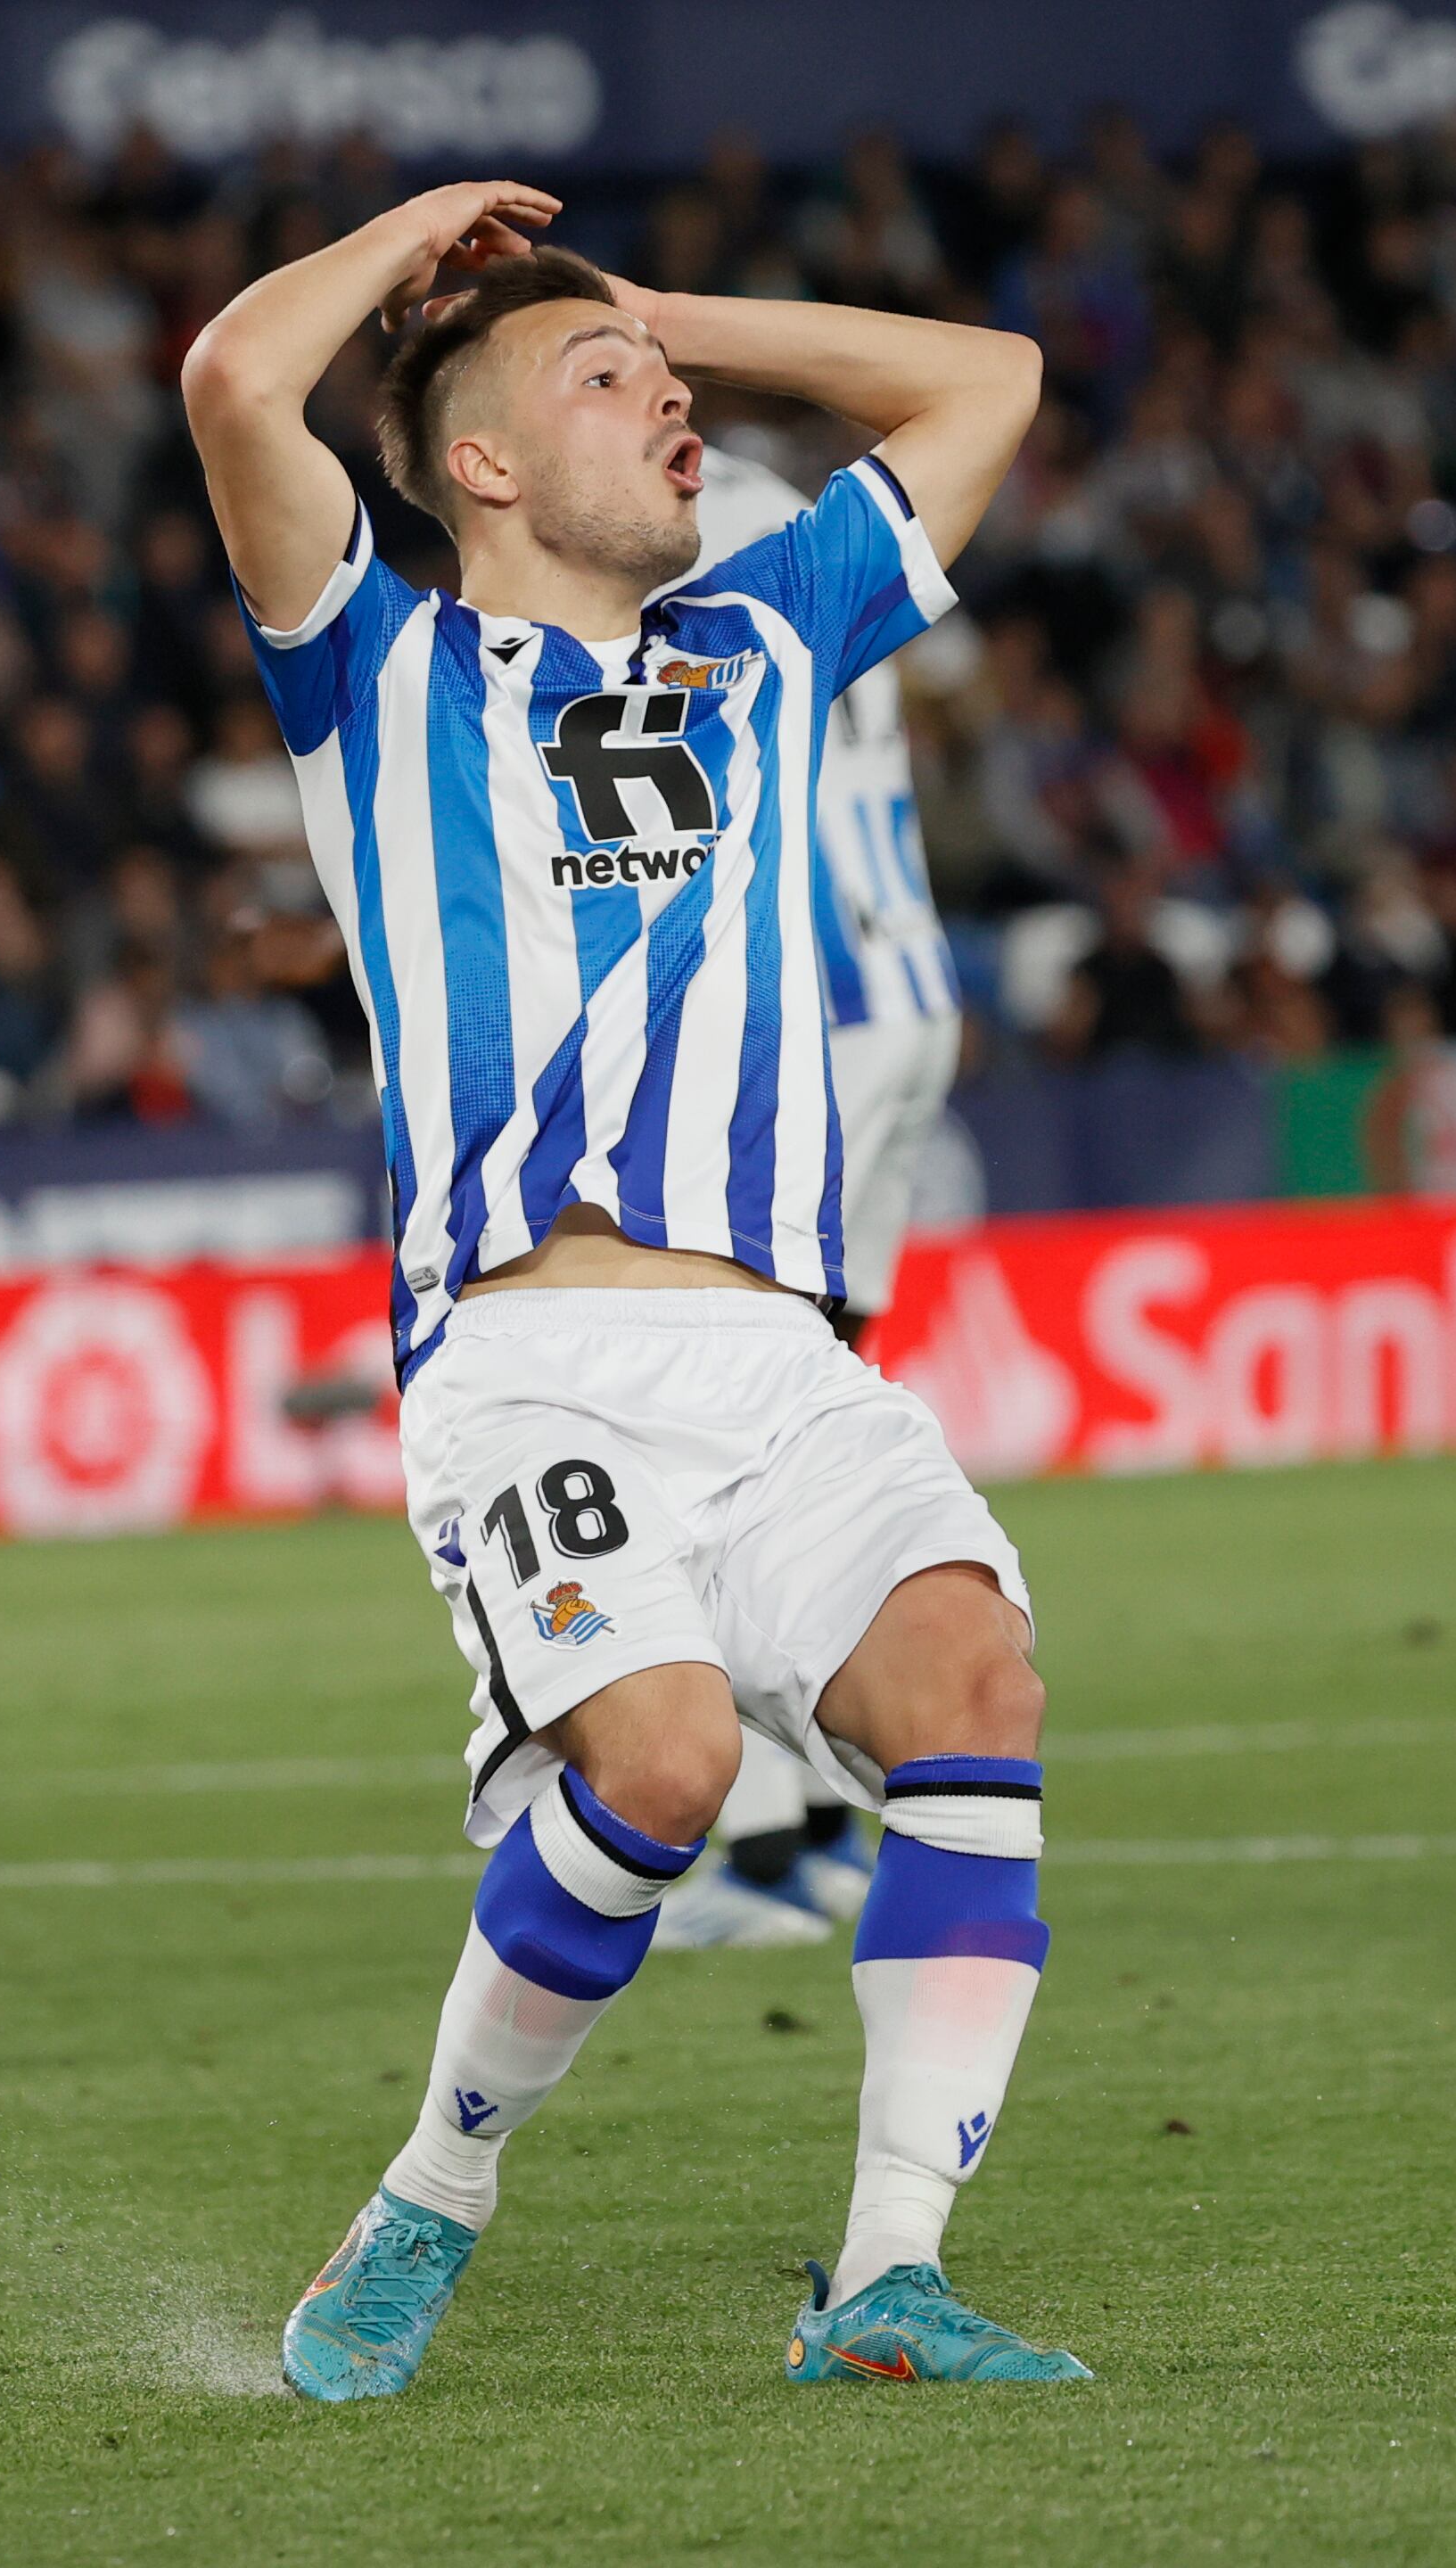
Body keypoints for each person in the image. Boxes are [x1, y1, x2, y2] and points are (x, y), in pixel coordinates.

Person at [184, 178, 1087, 2399]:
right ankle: (431, 2196)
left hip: (782, 1349)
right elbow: (234, 378)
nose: (673, 406)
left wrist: (655, 309)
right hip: (534, 1355)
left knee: (972, 1684)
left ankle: (885, 2280)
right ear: (482, 462)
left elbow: (991, 381)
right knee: (664, 1765)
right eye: (610, 386)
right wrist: (427, 238)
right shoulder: (378, 669)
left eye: (671, 385)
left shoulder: (765, 637)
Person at [656, 443, 966, 1948]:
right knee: (821, 1409)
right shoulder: (806, 511)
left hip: (815, 1015)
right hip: (909, 992)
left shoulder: (687, 526)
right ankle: (832, 1824)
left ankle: (772, 1847)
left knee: (724, 1431)